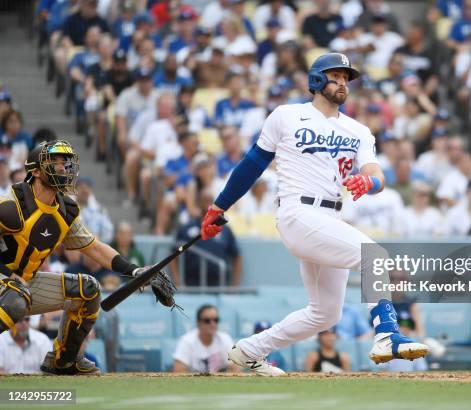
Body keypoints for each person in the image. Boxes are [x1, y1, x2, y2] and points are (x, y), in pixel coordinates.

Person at [200, 52, 429, 376]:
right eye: (335, 76)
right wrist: (218, 206)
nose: (342, 83)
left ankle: (249, 350)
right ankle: (387, 335)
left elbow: (378, 174)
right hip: (297, 212)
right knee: (374, 257)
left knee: (325, 314)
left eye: (346, 78)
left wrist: (371, 181)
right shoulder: (286, 115)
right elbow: (252, 164)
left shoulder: (358, 130)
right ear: (316, 80)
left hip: (329, 219)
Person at [0, 140, 175, 375]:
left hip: (25, 283)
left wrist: (134, 271)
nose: (63, 168)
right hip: (7, 283)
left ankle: (63, 360)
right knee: (14, 300)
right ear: (36, 171)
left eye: (65, 163)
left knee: (88, 289)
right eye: (55, 162)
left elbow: (94, 247)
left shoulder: (66, 210)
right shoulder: (12, 206)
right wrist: (6, 274)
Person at [172, 304, 238, 373]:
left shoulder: (225, 339)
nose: (213, 324)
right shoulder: (187, 341)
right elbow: (178, 370)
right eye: (207, 321)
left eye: (216, 320)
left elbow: (234, 369)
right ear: (198, 323)